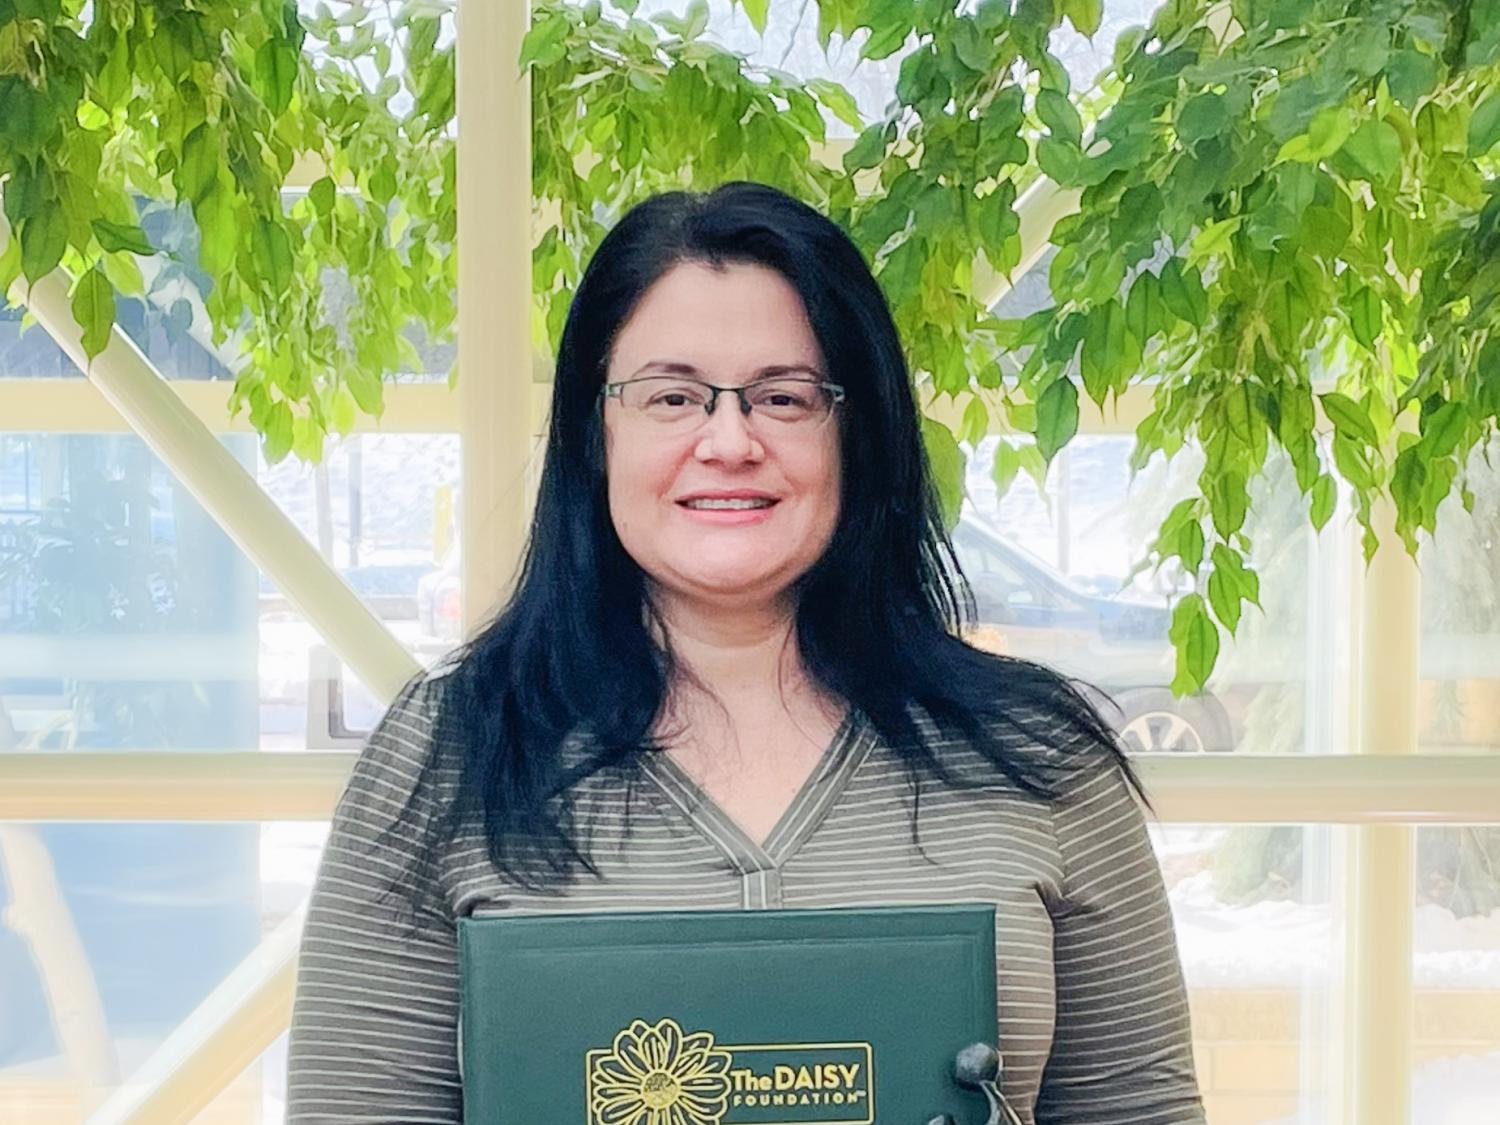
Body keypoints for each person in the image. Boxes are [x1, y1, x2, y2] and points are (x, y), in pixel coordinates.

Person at [286, 182, 1205, 1125]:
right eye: (672, 396)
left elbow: (1142, 1109)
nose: (729, 440)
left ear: (859, 431)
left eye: (784, 396)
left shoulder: (1043, 755)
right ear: (596, 431)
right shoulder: (451, 752)